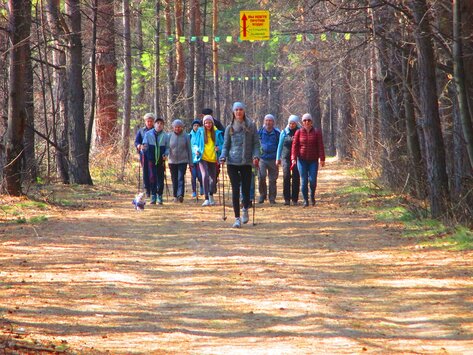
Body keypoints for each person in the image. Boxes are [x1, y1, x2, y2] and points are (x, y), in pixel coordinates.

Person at [220, 102, 260, 228]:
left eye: (241, 109)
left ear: (244, 111)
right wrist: (222, 156)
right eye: (236, 110)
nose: (238, 112)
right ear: (233, 112)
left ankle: (245, 209)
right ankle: (237, 218)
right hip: (232, 162)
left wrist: (256, 156)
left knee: (246, 189)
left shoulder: (251, 126)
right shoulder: (229, 128)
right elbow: (225, 146)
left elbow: (256, 144)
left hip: (247, 162)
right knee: (236, 190)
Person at [291, 113, 326, 207]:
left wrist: (322, 158)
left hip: (313, 160)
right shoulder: (298, 132)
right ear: (302, 122)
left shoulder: (317, 132)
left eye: (308, 120)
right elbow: (294, 146)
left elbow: (320, 146)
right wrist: (293, 158)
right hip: (301, 160)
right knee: (304, 180)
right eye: (304, 120)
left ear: (311, 122)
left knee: (312, 180)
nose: (307, 122)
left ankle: (312, 196)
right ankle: (305, 200)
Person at [193, 115, 224, 206]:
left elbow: (223, 144)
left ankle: (211, 195)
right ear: (203, 123)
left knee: (213, 179)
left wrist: (219, 148)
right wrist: (196, 150)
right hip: (203, 157)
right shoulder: (200, 131)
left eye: (210, 122)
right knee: (205, 175)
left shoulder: (217, 132)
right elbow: (194, 144)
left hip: (213, 158)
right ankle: (206, 198)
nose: (208, 124)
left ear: (212, 123)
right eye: (206, 123)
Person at [142, 117, 169, 205]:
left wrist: (166, 154)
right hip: (151, 159)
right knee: (152, 177)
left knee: (160, 178)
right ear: (154, 124)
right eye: (158, 123)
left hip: (161, 160)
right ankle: (153, 195)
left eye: (161, 124)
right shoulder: (148, 134)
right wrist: (143, 150)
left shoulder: (165, 135)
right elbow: (144, 145)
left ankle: (160, 196)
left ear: (163, 126)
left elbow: (168, 148)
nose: (159, 125)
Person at [276, 114, 301, 206]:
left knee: (296, 177)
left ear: (296, 123)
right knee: (286, 176)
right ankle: (286, 198)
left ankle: (295, 199)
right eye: (290, 123)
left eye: (293, 123)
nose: (292, 125)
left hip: (296, 158)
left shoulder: (300, 131)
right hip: (285, 157)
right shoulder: (284, 132)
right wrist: (277, 158)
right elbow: (280, 145)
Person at [168, 119, 193, 203]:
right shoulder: (169, 136)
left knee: (180, 178)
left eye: (179, 127)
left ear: (182, 127)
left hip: (183, 161)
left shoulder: (186, 136)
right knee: (174, 178)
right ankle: (175, 195)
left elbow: (189, 149)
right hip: (172, 161)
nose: (177, 128)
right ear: (173, 127)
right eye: (175, 127)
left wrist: (191, 162)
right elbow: (167, 148)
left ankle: (180, 195)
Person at [257, 114, 280, 205]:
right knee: (261, 176)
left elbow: (280, 145)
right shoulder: (260, 132)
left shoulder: (277, 133)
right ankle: (262, 195)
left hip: (273, 159)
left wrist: (279, 157)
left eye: (270, 120)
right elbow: (256, 143)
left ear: (273, 122)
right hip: (262, 158)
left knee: (272, 179)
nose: (268, 122)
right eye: (266, 120)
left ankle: (272, 198)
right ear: (264, 121)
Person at [134, 113, 155, 197]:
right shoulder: (141, 131)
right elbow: (136, 141)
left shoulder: (156, 131)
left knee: (153, 172)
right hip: (144, 155)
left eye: (151, 121)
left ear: (153, 122)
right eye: (148, 121)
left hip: (154, 155)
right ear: (145, 122)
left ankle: (154, 189)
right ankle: (147, 190)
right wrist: (139, 146)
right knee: (145, 172)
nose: (149, 123)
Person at [189, 119, 204, 198]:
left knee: (200, 175)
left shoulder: (201, 134)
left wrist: (199, 151)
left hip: (199, 158)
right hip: (192, 158)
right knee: (193, 175)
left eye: (197, 125)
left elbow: (202, 144)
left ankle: (202, 186)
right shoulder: (190, 135)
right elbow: (189, 146)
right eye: (194, 125)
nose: (196, 127)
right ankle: (194, 191)